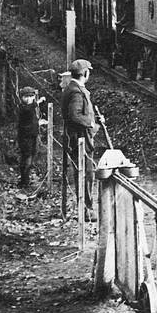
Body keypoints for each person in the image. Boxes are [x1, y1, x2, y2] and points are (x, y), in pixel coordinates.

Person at [61, 59, 103, 220]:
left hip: (79, 137)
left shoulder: (73, 88)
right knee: (86, 173)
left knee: (85, 172)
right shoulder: (76, 91)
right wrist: (91, 122)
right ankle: (87, 210)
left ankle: (86, 208)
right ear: (85, 73)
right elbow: (75, 115)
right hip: (79, 138)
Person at [16, 86, 48, 188]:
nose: (29, 99)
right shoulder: (23, 107)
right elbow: (28, 110)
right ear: (22, 97)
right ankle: (24, 181)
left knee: (32, 156)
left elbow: (31, 119)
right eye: (26, 96)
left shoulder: (31, 107)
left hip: (32, 135)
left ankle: (26, 179)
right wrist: (38, 102)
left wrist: (38, 123)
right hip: (25, 137)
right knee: (27, 158)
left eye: (31, 96)